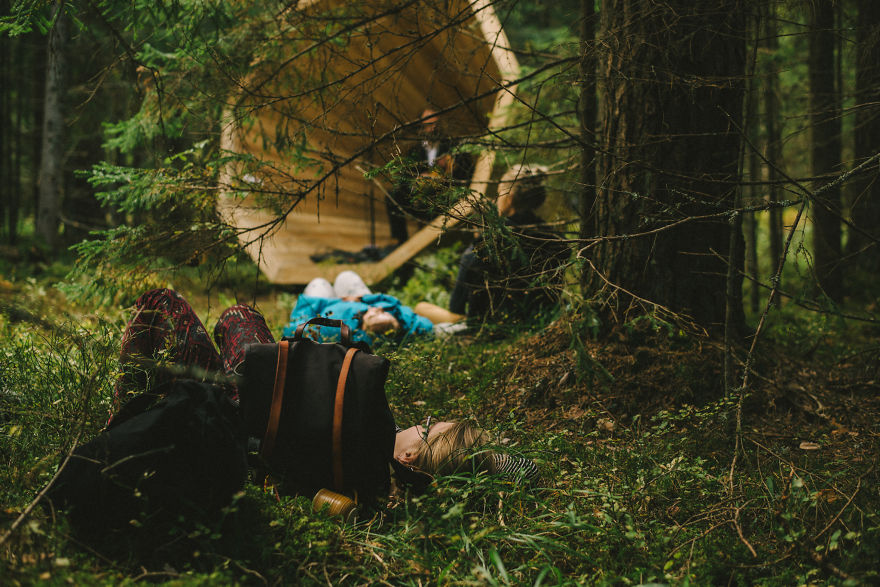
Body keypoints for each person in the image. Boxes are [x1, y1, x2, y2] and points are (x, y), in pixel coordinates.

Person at [111, 288, 536, 485]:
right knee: (240, 314)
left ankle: (117, 428)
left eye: (427, 425)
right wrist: (497, 459)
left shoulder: (371, 455)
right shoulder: (371, 465)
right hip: (259, 391)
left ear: (409, 458)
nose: (419, 421)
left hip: (231, 409)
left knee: (161, 302)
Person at [448, 164, 565, 320]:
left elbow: (456, 307)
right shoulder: (555, 240)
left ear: (508, 198)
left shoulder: (485, 246)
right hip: (540, 320)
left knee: (422, 308)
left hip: (490, 328)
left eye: (499, 192)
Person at [283, 270, 464, 344]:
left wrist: (317, 308)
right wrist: (363, 298)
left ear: (364, 328)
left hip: (322, 306)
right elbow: (394, 304)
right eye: (381, 311)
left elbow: (295, 328)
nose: (376, 309)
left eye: (373, 314)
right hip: (354, 300)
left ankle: (324, 289)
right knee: (346, 276)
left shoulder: (336, 331)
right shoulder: (405, 323)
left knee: (319, 283)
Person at [386, 107, 475, 244]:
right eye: (428, 125)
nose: (433, 128)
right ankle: (401, 241)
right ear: (421, 128)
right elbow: (404, 177)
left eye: (435, 124)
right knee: (392, 195)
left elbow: (466, 169)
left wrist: (449, 168)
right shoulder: (415, 151)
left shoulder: (452, 144)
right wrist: (416, 181)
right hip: (422, 197)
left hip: (445, 194)